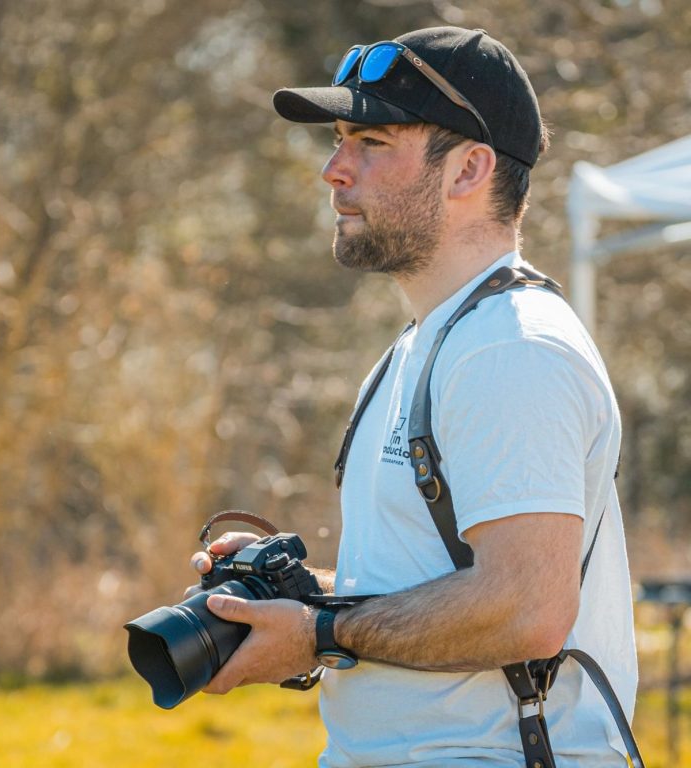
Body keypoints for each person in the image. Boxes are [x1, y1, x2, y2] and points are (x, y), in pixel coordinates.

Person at [186, 26, 638, 768]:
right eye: (338, 140)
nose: (334, 170)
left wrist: (318, 634)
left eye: (372, 142)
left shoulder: (510, 348)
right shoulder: (431, 341)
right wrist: (296, 597)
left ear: (469, 170)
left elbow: (528, 609)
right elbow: (437, 588)